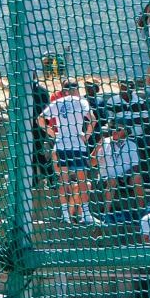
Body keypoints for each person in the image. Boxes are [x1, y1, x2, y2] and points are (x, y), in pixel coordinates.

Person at [38, 79, 97, 224]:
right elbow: (93, 121)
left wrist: (53, 134)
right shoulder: (81, 102)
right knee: (82, 180)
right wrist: (86, 136)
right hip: (77, 145)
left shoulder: (58, 103)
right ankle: (85, 215)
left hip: (62, 144)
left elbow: (40, 119)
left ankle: (65, 215)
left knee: (63, 180)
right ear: (76, 89)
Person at [90, 120, 144, 220]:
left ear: (126, 132)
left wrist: (125, 174)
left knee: (137, 178)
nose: (114, 131)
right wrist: (97, 148)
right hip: (105, 178)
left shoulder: (131, 145)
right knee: (112, 180)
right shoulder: (104, 142)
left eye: (118, 129)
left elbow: (136, 166)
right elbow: (91, 163)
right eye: (113, 129)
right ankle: (105, 215)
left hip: (124, 177)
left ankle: (141, 212)